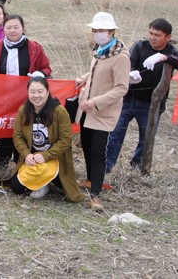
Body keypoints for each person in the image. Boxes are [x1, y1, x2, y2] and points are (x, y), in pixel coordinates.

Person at [106, 18, 178, 172]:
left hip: (153, 104)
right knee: (115, 133)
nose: (152, 37)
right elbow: (129, 63)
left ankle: (138, 167)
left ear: (168, 37)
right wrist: (130, 75)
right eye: (150, 33)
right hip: (129, 99)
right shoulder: (140, 46)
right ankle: (107, 165)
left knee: (146, 138)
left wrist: (164, 58)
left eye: (157, 35)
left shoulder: (172, 51)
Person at [74, 12, 130, 211]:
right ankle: (90, 180)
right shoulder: (100, 50)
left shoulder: (120, 56)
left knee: (98, 151)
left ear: (111, 32)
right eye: (95, 30)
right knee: (87, 145)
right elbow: (97, 70)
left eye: (101, 30)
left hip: (102, 110)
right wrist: (84, 77)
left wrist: (96, 102)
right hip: (87, 108)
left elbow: (122, 87)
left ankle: (96, 194)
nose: (97, 33)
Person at [0, 14, 52, 168]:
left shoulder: (34, 48)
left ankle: (22, 159)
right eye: (9, 27)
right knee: (5, 126)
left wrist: (41, 74)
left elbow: (46, 67)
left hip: (27, 97)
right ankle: (3, 160)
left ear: (23, 28)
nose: (12, 31)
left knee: (25, 127)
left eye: (16, 27)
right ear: (3, 29)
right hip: (3, 97)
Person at [5, 76, 85, 203]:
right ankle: (43, 183)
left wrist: (46, 155)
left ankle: (48, 182)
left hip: (54, 157)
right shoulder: (24, 110)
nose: (36, 95)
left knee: (64, 187)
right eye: (32, 92)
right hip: (32, 158)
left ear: (47, 92)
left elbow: (65, 139)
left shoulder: (59, 112)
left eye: (40, 91)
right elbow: (17, 136)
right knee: (16, 188)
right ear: (28, 93)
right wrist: (26, 155)